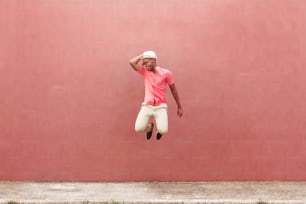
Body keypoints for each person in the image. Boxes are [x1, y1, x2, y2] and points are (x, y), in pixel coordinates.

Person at [129, 50, 183, 140]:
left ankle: (160, 131)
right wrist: (143, 55)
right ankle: (150, 127)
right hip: (147, 106)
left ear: (153, 61)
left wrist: (179, 106)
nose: (145, 65)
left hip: (160, 107)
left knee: (163, 130)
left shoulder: (166, 73)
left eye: (146, 63)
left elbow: (173, 89)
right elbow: (132, 62)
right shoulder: (145, 72)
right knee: (138, 128)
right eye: (143, 63)